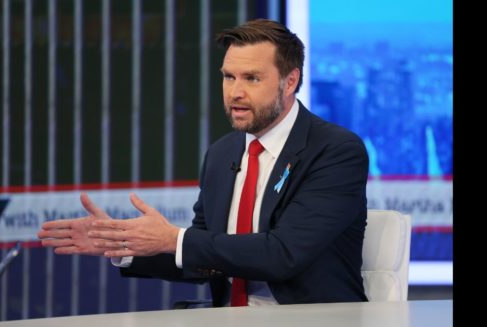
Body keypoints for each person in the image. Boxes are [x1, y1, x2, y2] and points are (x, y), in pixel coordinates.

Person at [38, 18, 369, 306]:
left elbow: (283, 254)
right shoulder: (222, 154)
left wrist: (174, 239)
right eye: (228, 77)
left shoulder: (335, 151)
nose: (234, 92)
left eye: (251, 78)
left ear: (290, 81)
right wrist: (123, 245)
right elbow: (204, 258)